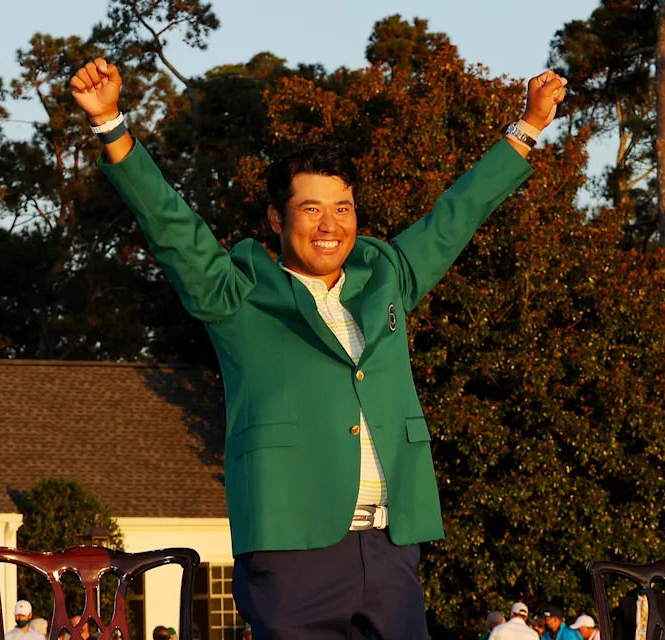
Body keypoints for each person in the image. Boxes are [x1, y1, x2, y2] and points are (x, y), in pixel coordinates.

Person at [70, 55, 566, 640]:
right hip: (292, 548)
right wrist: (110, 124)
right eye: (311, 209)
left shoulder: (387, 275)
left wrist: (529, 125)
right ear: (276, 218)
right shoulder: (236, 293)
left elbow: (457, 215)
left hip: (391, 544)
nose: (330, 225)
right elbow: (169, 224)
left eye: (342, 208)